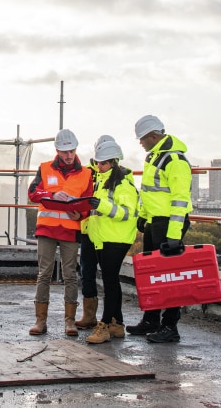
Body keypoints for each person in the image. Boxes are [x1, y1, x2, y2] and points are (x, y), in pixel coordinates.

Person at [125, 114, 194, 344]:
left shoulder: (174, 160)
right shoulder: (155, 157)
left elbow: (180, 200)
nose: (140, 143)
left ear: (154, 136)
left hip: (169, 224)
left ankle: (170, 327)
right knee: (153, 275)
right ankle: (151, 320)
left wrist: (174, 236)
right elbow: (150, 192)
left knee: (169, 277)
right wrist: (144, 218)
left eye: (142, 139)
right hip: (156, 222)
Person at [27, 128, 93, 337]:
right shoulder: (45, 168)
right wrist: (52, 193)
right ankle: (40, 321)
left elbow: (89, 203)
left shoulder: (86, 173)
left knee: (70, 275)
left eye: (71, 151)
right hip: (46, 229)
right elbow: (32, 193)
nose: (68, 155)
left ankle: (70, 322)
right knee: (44, 274)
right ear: (57, 150)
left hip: (70, 231)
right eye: (65, 151)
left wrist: (80, 215)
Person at [83, 137, 139, 344]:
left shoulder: (123, 184)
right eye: (98, 162)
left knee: (110, 283)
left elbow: (127, 213)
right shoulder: (104, 179)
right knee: (111, 281)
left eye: (104, 162)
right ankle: (117, 325)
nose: (100, 165)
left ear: (114, 162)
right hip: (104, 237)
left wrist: (103, 205)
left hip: (116, 239)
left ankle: (105, 325)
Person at [74, 134, 116, 331]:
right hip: (89, 229)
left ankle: (113, 319)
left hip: (107, 232)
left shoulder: (118, 176)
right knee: (87, 272)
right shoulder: (87, 172)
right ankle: (89, 316)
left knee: (108, 276)